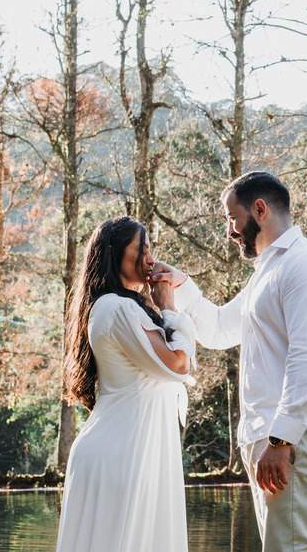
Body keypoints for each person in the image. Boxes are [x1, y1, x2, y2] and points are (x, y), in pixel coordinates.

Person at [152, 171, 307, 552]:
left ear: (259, 209)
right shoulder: (269, 272)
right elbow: (219, 330)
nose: (230, 230)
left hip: (296, 439)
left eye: (233, 218)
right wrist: (182, 286)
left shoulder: (305, 264)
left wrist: (280, 440)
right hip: (276, 439)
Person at [55, 216, 198, 552]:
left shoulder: (118, 308)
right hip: (122, 457)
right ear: (114, 253)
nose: (150, 259)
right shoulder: (117, 308)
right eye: (141, 249)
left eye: (151, 250)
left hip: (132, 454)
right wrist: (169, 308)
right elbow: (178, 364)